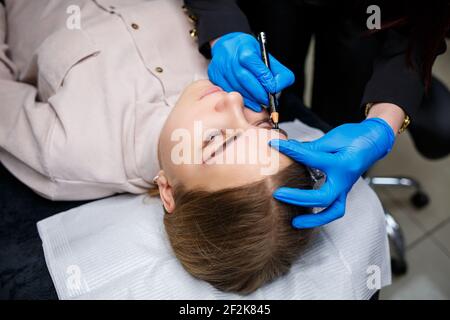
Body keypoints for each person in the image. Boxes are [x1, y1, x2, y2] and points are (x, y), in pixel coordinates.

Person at [184, 0, 450, 228]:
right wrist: (222, 25)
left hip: (373, 12)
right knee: (271, 90)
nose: (231, 101)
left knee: (341, 112)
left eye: (220, 140)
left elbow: (416, 32)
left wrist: (383, 123)